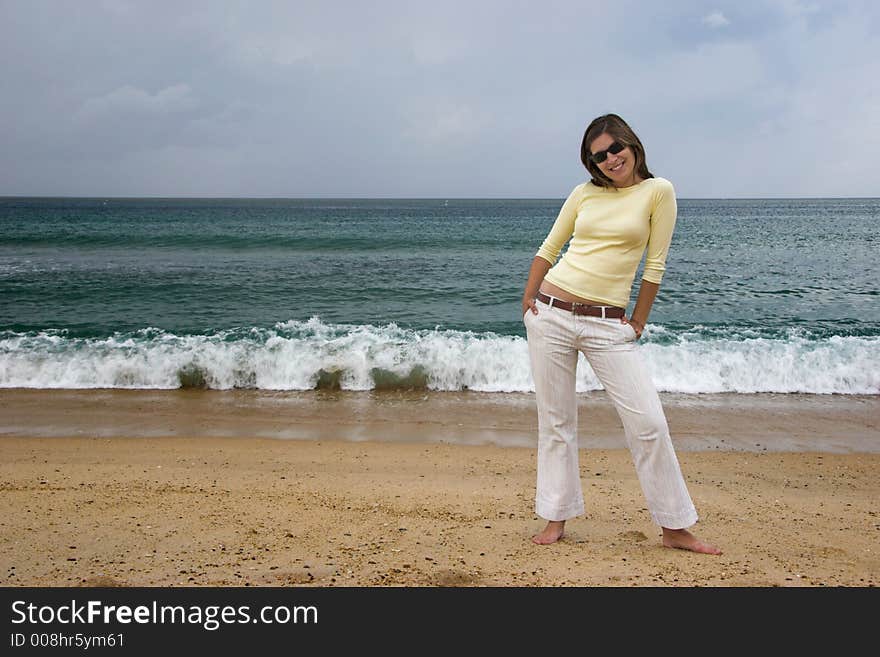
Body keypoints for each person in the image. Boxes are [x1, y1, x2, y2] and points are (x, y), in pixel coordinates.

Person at [521, 113, 721, 554]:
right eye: (599, 156)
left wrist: (638, 321)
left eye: (616, 149)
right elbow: (550, 248)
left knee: (648, 423)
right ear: (591, 164)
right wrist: (529, 297)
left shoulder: (658, 192)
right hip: (551, 314)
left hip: (607, 323)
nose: (611, 159)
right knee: (556, 423)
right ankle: (556, 516)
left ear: (631, 144)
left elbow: (655, 265)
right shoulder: (583, 194)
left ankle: (674, 527)